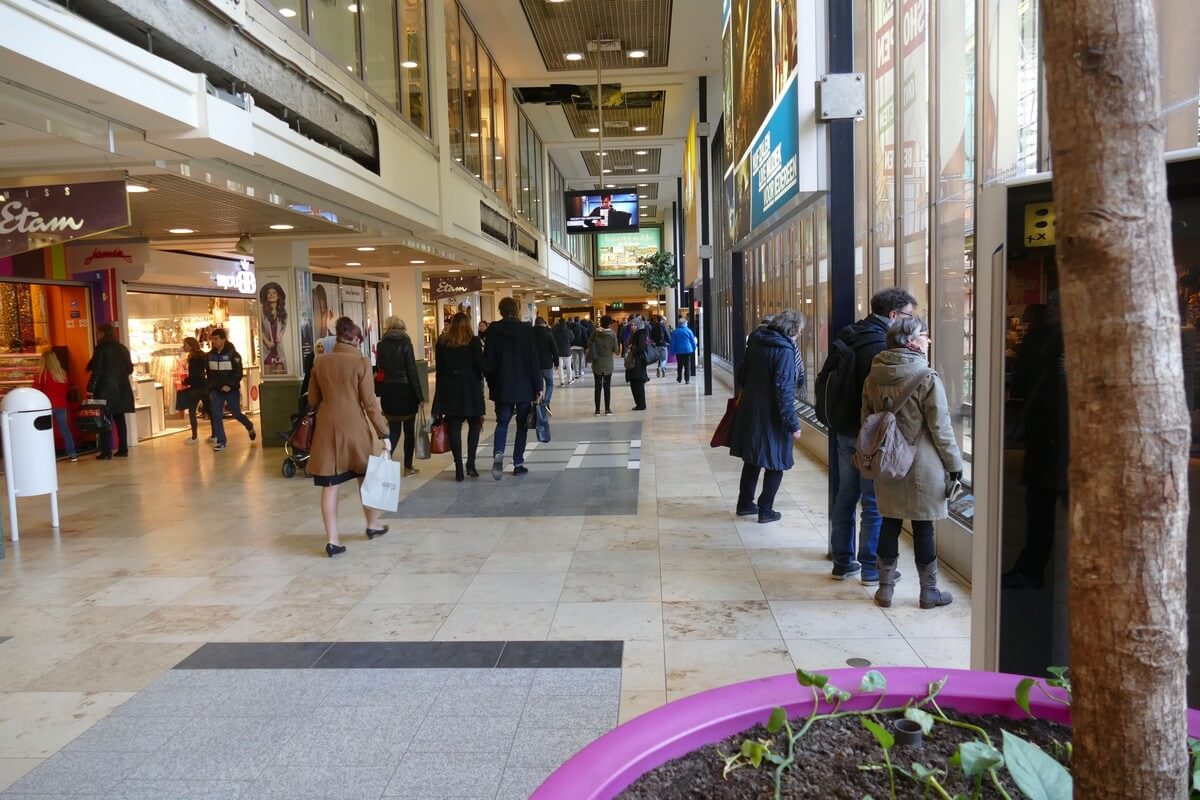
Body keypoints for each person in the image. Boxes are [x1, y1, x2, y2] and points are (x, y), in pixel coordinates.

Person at [862, 316, 963, 609]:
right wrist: (955, 464)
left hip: (887, 463)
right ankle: (928, 592)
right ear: (909, 341)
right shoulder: (926, 376)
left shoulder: (873, 375)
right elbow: (941, 428)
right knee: (923, 527)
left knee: (890, 522)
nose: (928, 340)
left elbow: (866, 421)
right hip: (922, 465)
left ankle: (884, 590)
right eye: (924, 335)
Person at [825, 288, 917, 584]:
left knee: (845, 496)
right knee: (873, 502)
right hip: (872, 435)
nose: (909, 322)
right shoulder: (881, 346)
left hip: (843, 429)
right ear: (894, 315)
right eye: (908, 316)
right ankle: (870, 567)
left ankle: (841, 562)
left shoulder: (850, 334)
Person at [307, 317, 391, 557]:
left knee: (330, 486)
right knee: (365, 478)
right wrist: (383, 432)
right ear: (355, 339)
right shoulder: (361, 362)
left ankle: (333, 541)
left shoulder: (320, 363)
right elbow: (370, 403)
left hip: (326, 430)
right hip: (354, 429)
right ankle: (372, 525)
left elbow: (312, 399)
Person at [730, 310, 803, 524]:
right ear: (792, 330)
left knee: (752, 460)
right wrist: (793, 424)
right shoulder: (785, 351)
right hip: (773, 416)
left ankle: (744, 503)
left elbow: (742, 375)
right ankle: (766, 509)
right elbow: (784, 390)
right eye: (798, 331)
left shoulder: (755, 343)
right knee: (776, 462)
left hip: (751, 411)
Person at [483, 297, 542, 480]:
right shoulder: (526, 329)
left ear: (500, 310)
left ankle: (499, 452)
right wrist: (538, 386)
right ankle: (518, 463)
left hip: (503, 385)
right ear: (516, 310)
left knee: (502, 423)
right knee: (522, 427)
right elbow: (533, 360)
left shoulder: (493, 329)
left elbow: (488, 361)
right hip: (524, 386)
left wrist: (492, 383)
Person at [432, 312, 486, 481]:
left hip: (450, 390)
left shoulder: (442, 343)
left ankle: (458, 468)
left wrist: (439, 398)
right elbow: (480, 366)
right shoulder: (474, 342)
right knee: (474, 426)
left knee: (454, 428)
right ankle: (471, 464)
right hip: (471, 390)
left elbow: (439, 371)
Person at [375, 317, 424, 477]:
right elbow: (412, 372)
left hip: (389, 392)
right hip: (406, 392)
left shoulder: (381, 346)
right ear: (402, 327)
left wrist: (380, 390)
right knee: (409, 431)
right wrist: (419, 396)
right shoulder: (406, 344)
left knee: (394, 431)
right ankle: (408, 467)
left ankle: (384, 462)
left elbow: (380, 371)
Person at [86, 323, 134, 460]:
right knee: (120, 418)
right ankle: (123, 449)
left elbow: (97, 371)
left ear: (102, 333)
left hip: (105, 389)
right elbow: (130, 369)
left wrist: (90, 388)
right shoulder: (122, 348)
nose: (96, 335)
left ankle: (106, 451)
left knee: (104, 420)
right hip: (121, 388)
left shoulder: (101, 349)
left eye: (97, 333)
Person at [206, 327, 257, 452]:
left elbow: (238, 373)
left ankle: (249, 426)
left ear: (223, 339)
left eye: (216, 339)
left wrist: (230, 385)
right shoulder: (209, 355)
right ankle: (221, 441)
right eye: (212, 339)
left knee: (236, 413)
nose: (214, 341)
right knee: (217, 415)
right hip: (216, 390)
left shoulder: (233, 355)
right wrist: (211, 385)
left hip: (231, 390)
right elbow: (209, 373)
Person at [33, 350, 76, 462]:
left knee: (45, 431)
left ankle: (46, 454)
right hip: (61, 405)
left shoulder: (41, 375)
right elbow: (66, 389)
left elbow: (35, 391)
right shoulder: (62, 374)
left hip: (46, 406)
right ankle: (72, 453)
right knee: (65, 430)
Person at [179, 337, 208, 445]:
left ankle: (194, 437)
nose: (183, 346)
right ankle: (215, 435)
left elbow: (194, 374)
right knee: (210, 410)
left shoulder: (194, 358)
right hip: (204, 386)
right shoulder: (202, 355)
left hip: (196, 387)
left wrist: (186, 381)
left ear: (190, 345)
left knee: (192, 411)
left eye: (185, 344)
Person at [590, 315, 619, 416]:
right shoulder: (612, 334)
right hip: (608, 363)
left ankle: (597, 410)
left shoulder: (595, 333)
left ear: (600, 323)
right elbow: (616, 350)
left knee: (597, 387)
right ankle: (607, 409)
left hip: (597, 363)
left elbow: (590, 343)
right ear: (610, 323)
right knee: (607, 387)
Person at [259, 282, 288, 375]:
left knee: (280, 375)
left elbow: (283, 328)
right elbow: (258, 329)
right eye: (269, 293)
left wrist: (280, 335)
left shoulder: (283, 312)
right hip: (267, 348)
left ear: (278, 295)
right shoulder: (261, 311)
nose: (271, 295)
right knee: (268, 376)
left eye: (274, 293)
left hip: (278, 348)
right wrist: (266, 342)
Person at [533, 317, 559, 407]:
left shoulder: (530, 334)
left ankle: (538, 400)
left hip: (534, 364)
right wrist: (556, 362)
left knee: (537, 384)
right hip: (547, 363)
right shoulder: (548, 334)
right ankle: (546, 402)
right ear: (544, 323)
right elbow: (554, 349)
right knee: (549, 384)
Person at [625, 328, 651, 411]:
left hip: (638, 363)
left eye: (635, 325)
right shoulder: (634, 334)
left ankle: (641, 404)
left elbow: (642, 348)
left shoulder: (640, 334)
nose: (633, 327)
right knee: (634, 384)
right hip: (635, 362)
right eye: (632, 325)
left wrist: (632, 347)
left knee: (638, 384)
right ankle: (639, 404)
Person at [671, 318, 698, 384]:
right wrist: (694, 348)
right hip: (688, 350)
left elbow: (673, 343)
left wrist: (672, 351)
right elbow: (693, 341)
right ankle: (687, 380)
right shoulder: (689, 331)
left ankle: (679, 378)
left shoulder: (675, 331)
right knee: (687, 365)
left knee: (679, 365)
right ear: (685, 323)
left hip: (678, 351)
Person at [552, 317, 574, 386]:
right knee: (568, 366)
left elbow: (553, 339)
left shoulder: (555, 330)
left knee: (560, 367)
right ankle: (569, 380)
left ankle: (562, 382)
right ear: (565, 323)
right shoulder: (568, 330)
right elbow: (572, 339)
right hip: (567, 350)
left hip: (558, 351)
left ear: (559, 322)